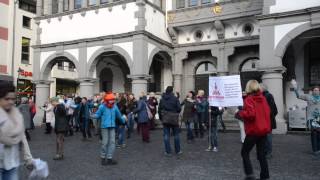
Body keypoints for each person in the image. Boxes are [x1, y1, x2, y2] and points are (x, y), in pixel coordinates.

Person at [235, 80, 271, 180]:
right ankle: (265, 176)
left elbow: (251, 114)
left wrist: (240, 113)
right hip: (263, 130)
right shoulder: (263, 98)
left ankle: (249, 175)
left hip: (254, 131)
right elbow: (268, 112)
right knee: (261, 155)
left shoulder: (249, 99)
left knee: (244, 152)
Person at [0, 81, 33, 180]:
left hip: (11, 164)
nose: (10, 101)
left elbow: (23, 138)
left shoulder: (17, 116)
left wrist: (28, 159)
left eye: (13, 99)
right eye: (7, 99)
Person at [94, 92, 126, 165]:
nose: (112, 101)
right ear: (107, 100)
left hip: (112, 127)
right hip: (104, 127)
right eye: (111, 100)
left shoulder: (115, 106)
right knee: (105, 142)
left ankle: (109, 158)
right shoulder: (102, 106)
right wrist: (93, 115)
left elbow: (119, 116)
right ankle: (103, 158)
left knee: (112, 142)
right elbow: (97, 114)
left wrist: (123, 120)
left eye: (113, 100)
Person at [292, 79, 320, 155]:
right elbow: (298, 96)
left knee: (319, 134)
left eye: (317, 90)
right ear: (312, 91)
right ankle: (315, 150)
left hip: (319, 119)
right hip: (311, 118)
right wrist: (295, 89)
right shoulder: (308, 96)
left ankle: (319, 148)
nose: (316, 91)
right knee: (314, 133)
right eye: (315, 90)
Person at [158, 86, 182, 156]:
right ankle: (178, 150)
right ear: (172, 91)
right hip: (174, 118)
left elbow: (159, 109)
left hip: (165, 118)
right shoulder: (175, 99)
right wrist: (175, 112)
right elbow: (179, 108)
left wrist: (161, 118)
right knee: (176, 135)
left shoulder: (162, 99)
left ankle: (168, 152)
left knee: (166, 135)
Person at [260, 83, 278, 159]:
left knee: (268, 137)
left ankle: (268, 152)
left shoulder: (268, 96)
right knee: (263, 138)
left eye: (259, 88)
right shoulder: (261, 96)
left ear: (263, 88)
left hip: (267, 120)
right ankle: (264, 151)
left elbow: (273, 109)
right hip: (262, 120)